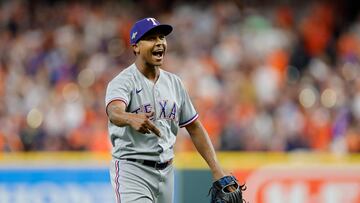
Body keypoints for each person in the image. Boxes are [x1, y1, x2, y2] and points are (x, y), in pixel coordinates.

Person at [105, 17, 231, 203]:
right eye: (151, 38)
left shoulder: (174, 83)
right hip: (132, 170)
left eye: (161, 37)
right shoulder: (123, 81)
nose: (159, 43)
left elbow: (194, 126)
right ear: (136, 47)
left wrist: (216, 169)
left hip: (166, 172)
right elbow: (114, 111)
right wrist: (130, 118)